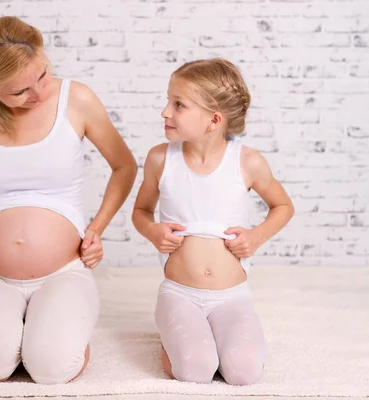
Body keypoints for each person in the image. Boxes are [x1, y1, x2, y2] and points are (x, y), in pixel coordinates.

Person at [0, 16, 137, 384]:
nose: (37, 94)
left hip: (64, 271)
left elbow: (124, 166)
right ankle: (20, 330)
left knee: (52, 370)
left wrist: (96, 230)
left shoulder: (77, 99)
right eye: (19, 92)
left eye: (42, 75)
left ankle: (50, 332)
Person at [132, 58, 294, 385]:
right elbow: (140, 212)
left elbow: (283, 206)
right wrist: (152, 231)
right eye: (168, 101)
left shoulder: (247, 161)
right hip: (180, 292)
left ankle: (217, 338)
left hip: (231, 296)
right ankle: (177, 336)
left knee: (244, 372)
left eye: (178, 105)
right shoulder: (161, 159)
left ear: (214, 119)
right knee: (195, 371)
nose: (165, 111)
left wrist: (256, 236)